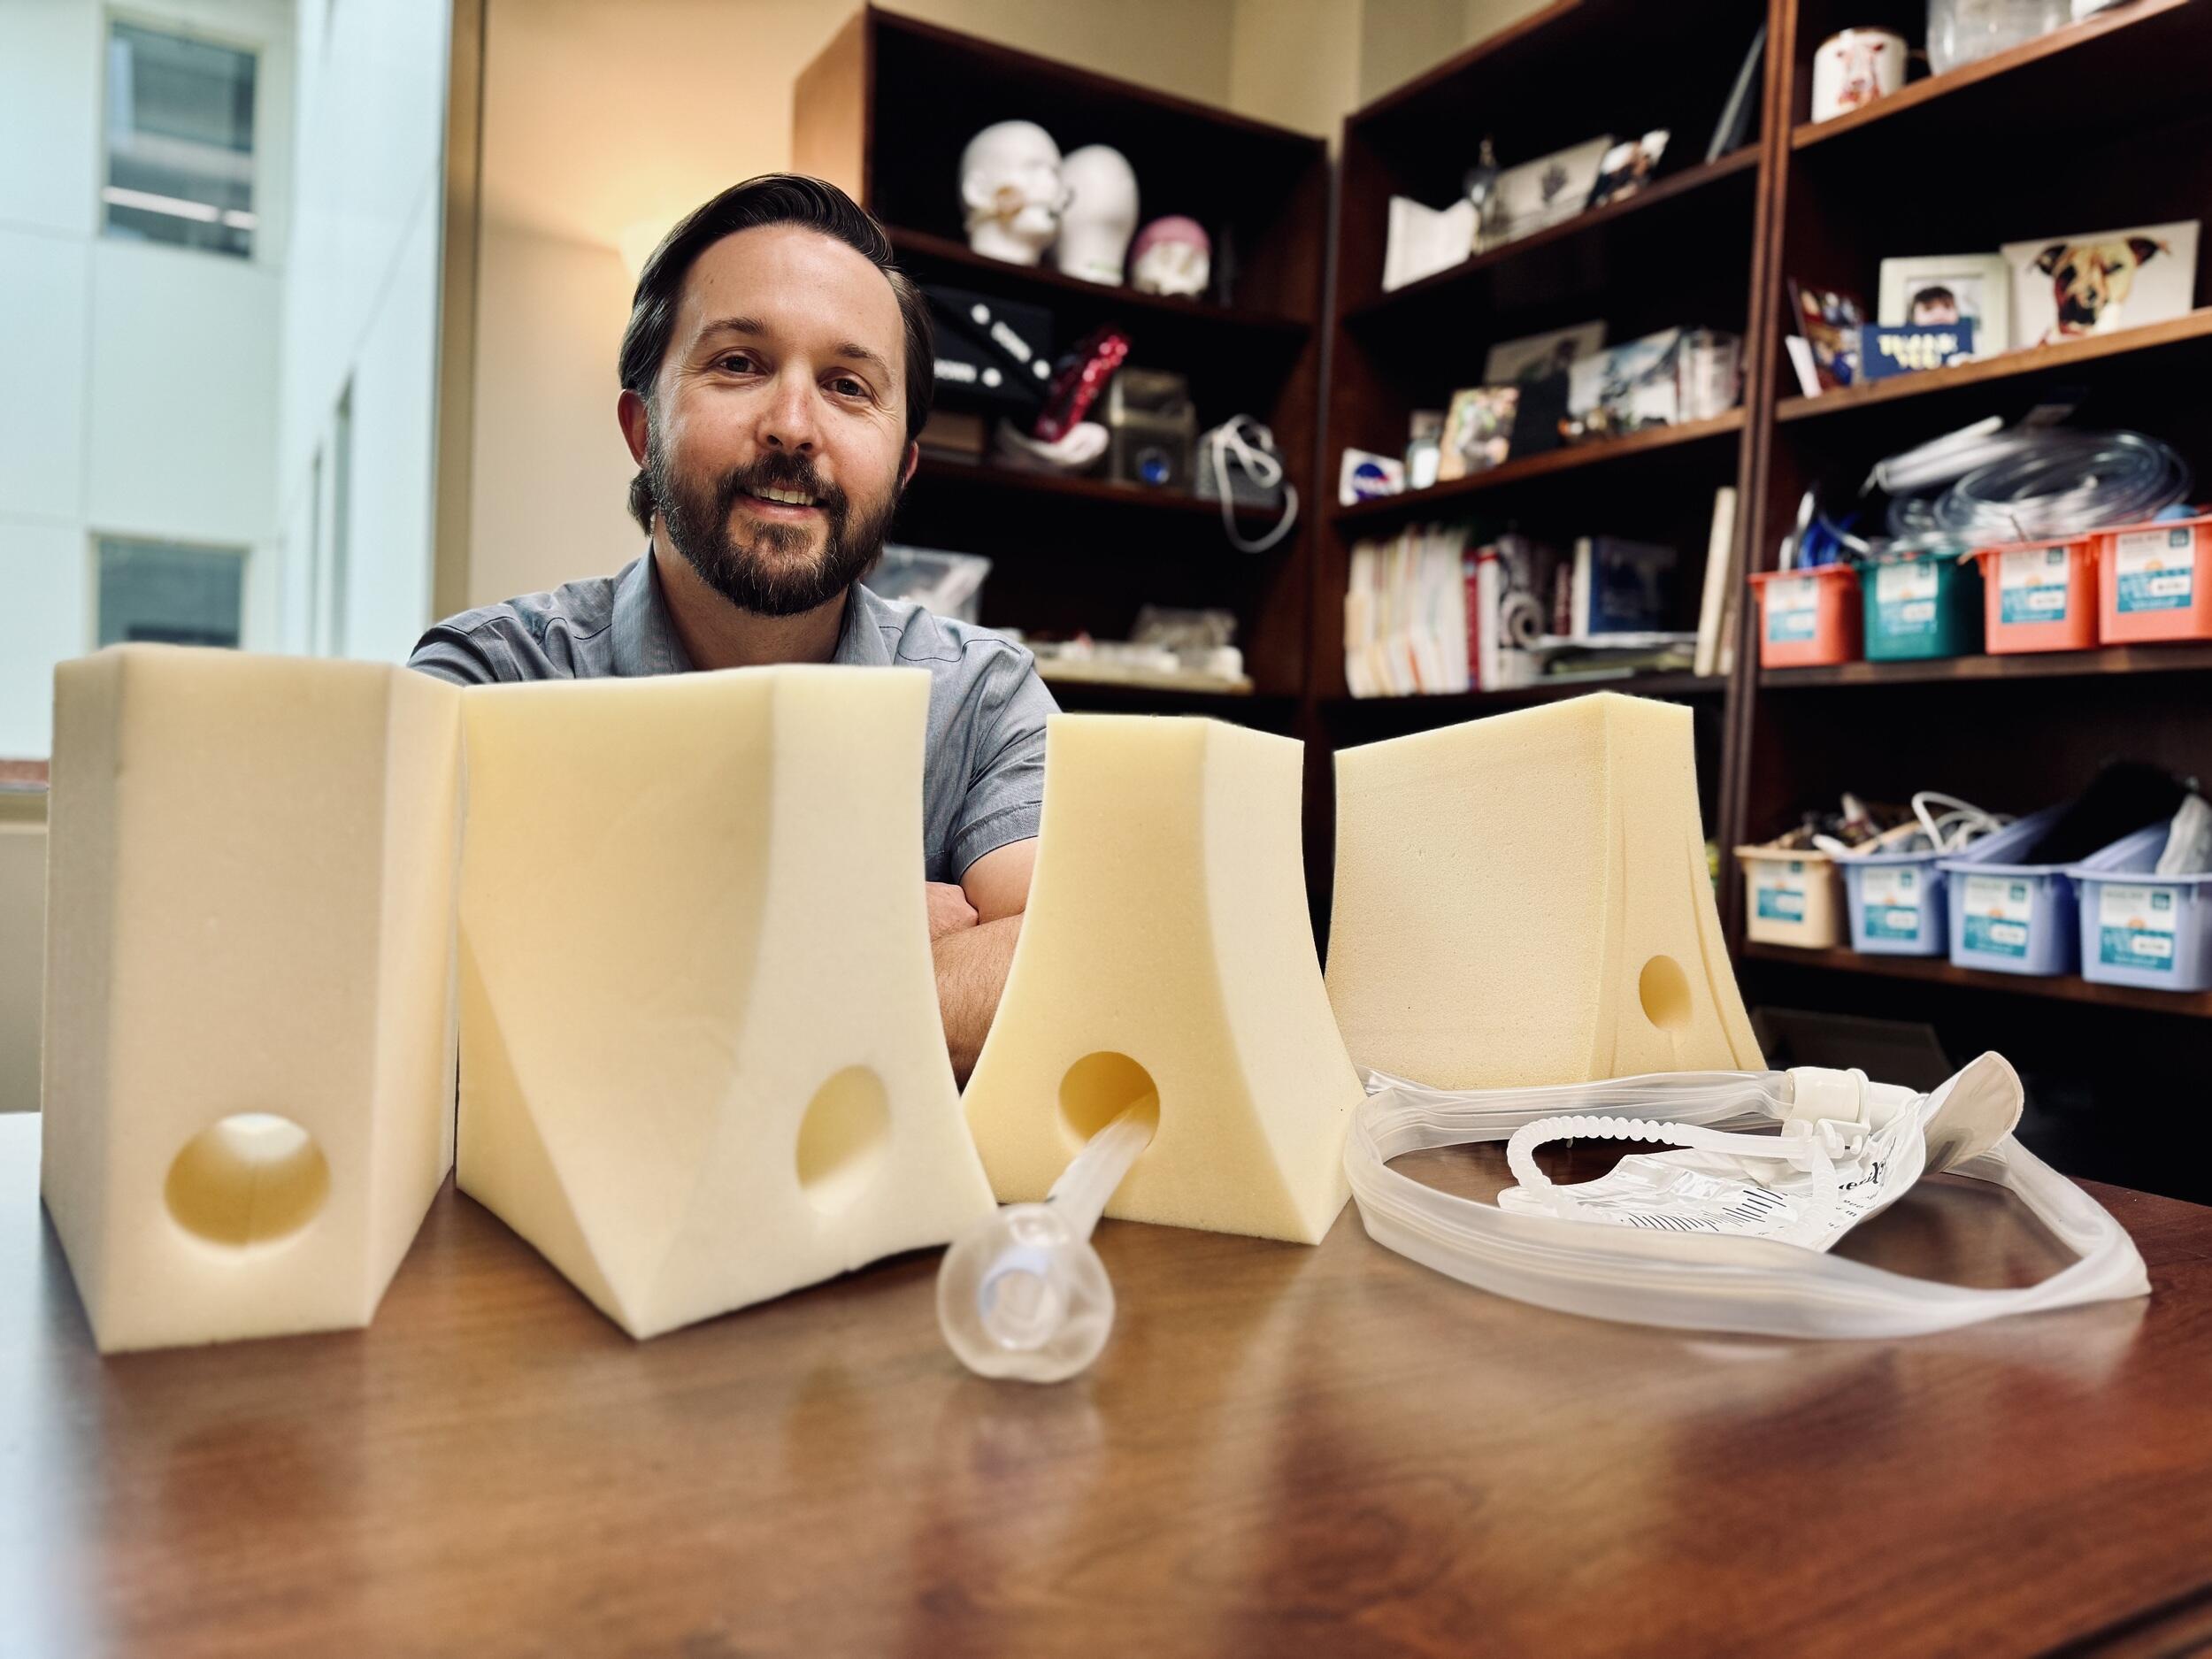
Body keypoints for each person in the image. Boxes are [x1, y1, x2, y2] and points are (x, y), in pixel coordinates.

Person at [409, 174, 1054, 1082]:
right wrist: (855, 938)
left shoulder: (982, 697)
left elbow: (1068, 972)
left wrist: (617, 953)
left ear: (903, 469)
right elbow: (415, 995)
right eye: (738, 365)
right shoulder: (491, 679)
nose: (793, 426)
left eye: (848, 385)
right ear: (643, 429)